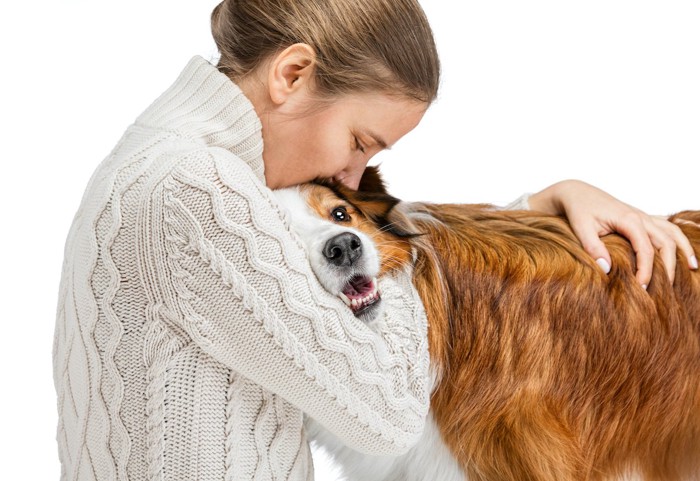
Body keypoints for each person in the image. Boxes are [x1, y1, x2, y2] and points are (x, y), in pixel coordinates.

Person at [51, 0, 697, 480]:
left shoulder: (166, 164)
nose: (351, 177)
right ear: (293, 74)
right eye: (360, 142)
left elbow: (299, 287)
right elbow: (390, 413)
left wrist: (537, 206)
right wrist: (385, 250)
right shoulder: (197, 190)